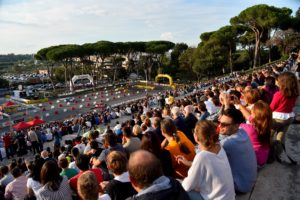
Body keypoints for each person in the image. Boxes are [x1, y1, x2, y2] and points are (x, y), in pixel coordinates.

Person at [178, 120, 235, 200]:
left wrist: (179, 181)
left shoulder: (202, 156)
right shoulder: (219, 146)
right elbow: (209, 164)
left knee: (180, 190)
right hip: (229, 197)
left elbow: (186, 186)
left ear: (196, 137)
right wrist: (189, 163)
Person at [219, 107, 257, 193]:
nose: (220, 126)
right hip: (249, 181)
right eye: (220, 122)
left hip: (240, 186)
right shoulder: (242, 131)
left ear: (236, 125)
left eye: (224, 124)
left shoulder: (227, 143)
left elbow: (206, 157)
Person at [237, 100, 272, 166]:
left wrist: (226, 105)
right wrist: (239, 105)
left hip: (254, 162)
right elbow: (250, 118)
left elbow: (232, 126)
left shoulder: (249, 128)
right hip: (263, 158)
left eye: (251, 112)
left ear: (254, 115)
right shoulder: (266, 126)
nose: (250, 113)